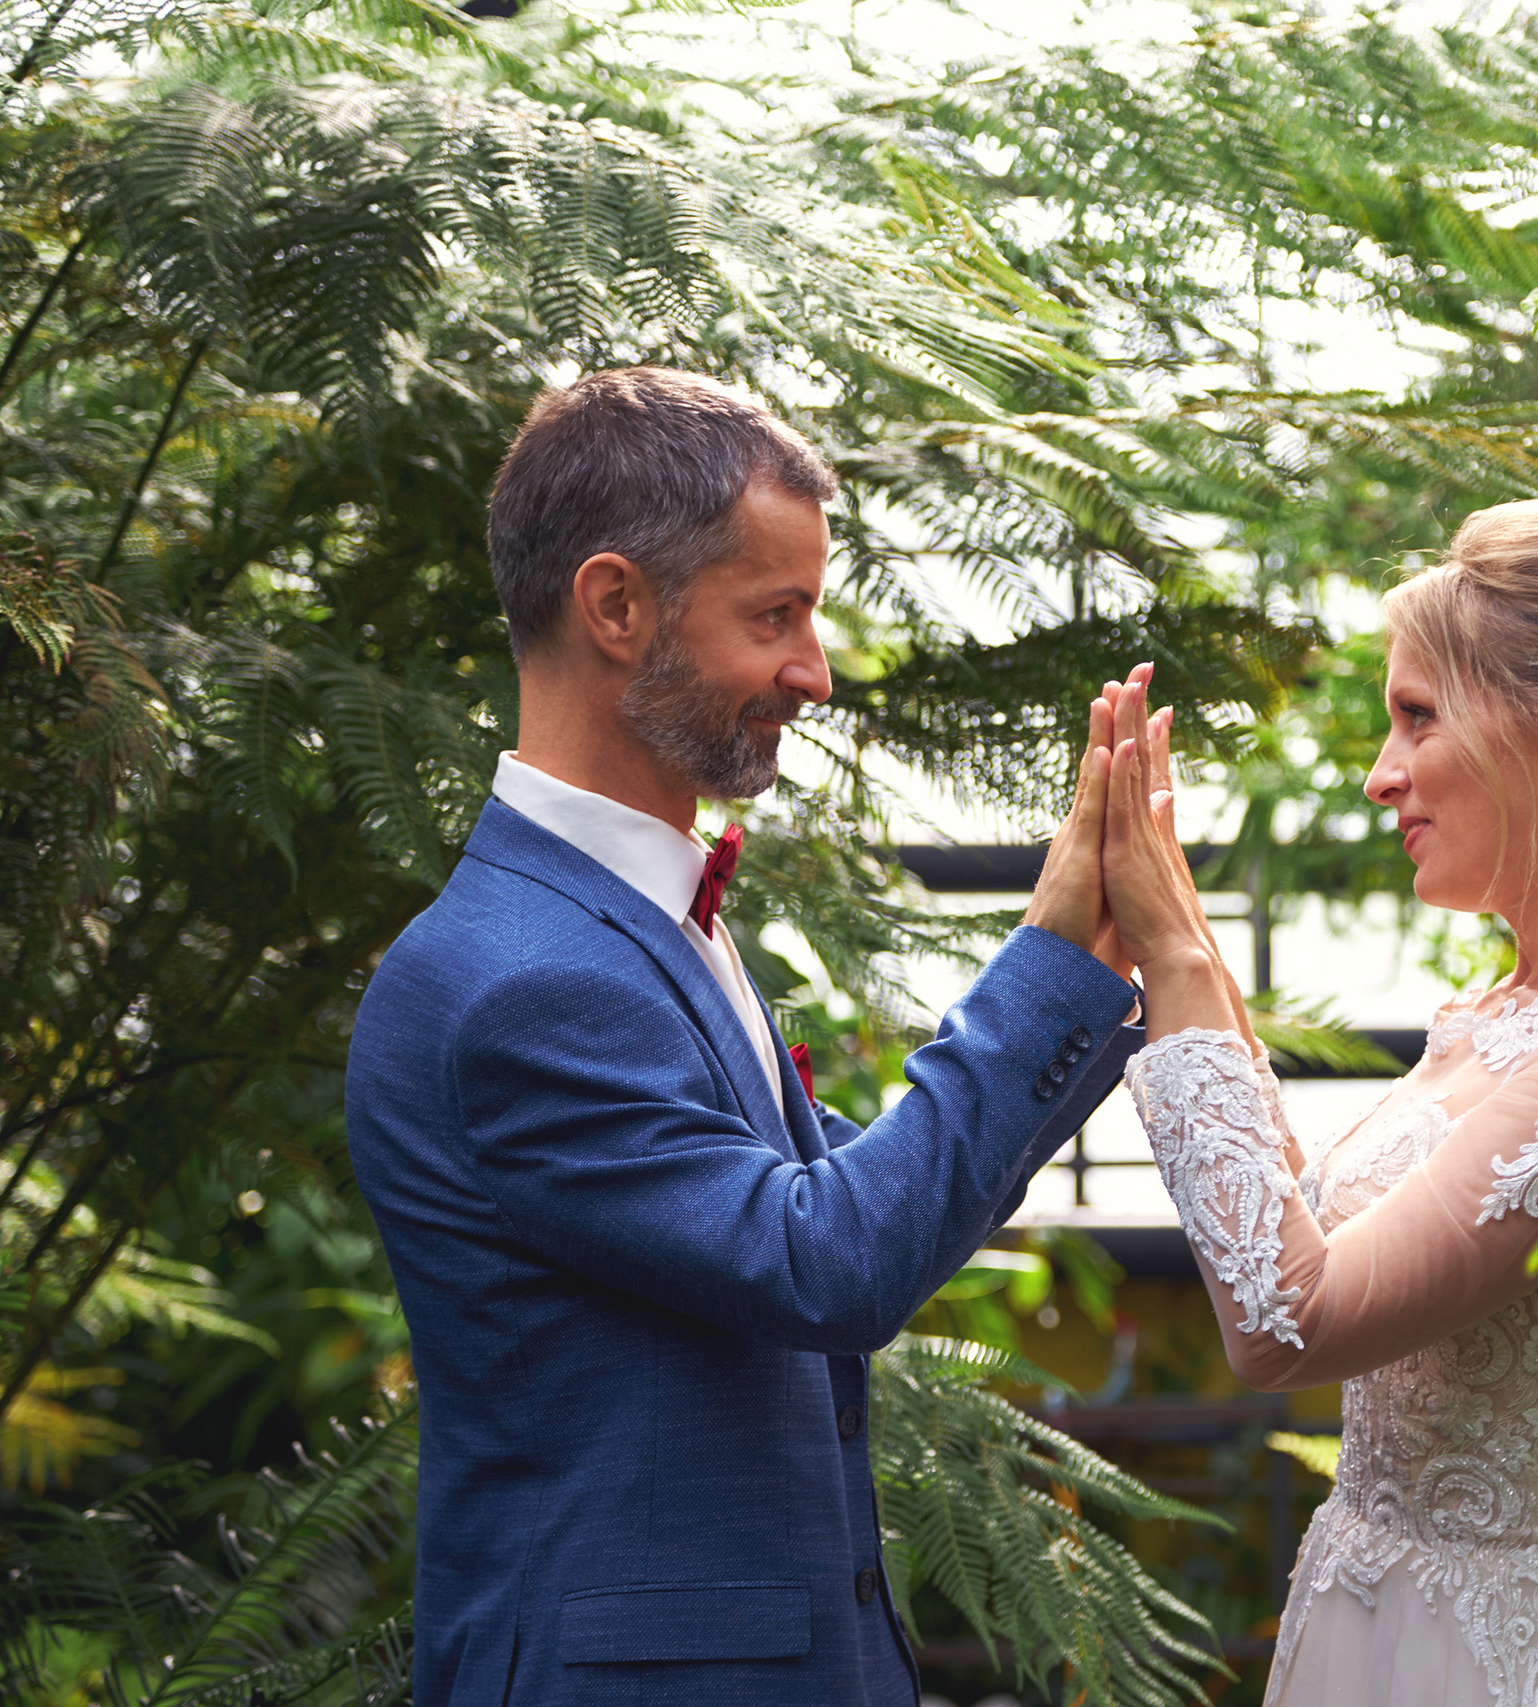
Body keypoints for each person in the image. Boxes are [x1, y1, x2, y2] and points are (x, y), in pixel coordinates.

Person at [345, 367, 1142, 1707]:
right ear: (617, 604)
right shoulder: (518, 981)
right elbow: (827, 1254)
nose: (812, 673)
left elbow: (839, 1190)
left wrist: (1102, 979)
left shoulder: (637, 921)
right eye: (776, 614)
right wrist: (1052, 962)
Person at [1094, 499, 1538, 1707]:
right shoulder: (1499, 1016)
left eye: (1416, 717)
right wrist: (1176, 926)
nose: (1379, 773)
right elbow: (1296, 1233)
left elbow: (1283, 1321)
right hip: (1371, 1620)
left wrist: (1181, 968)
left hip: (1511, 1663)